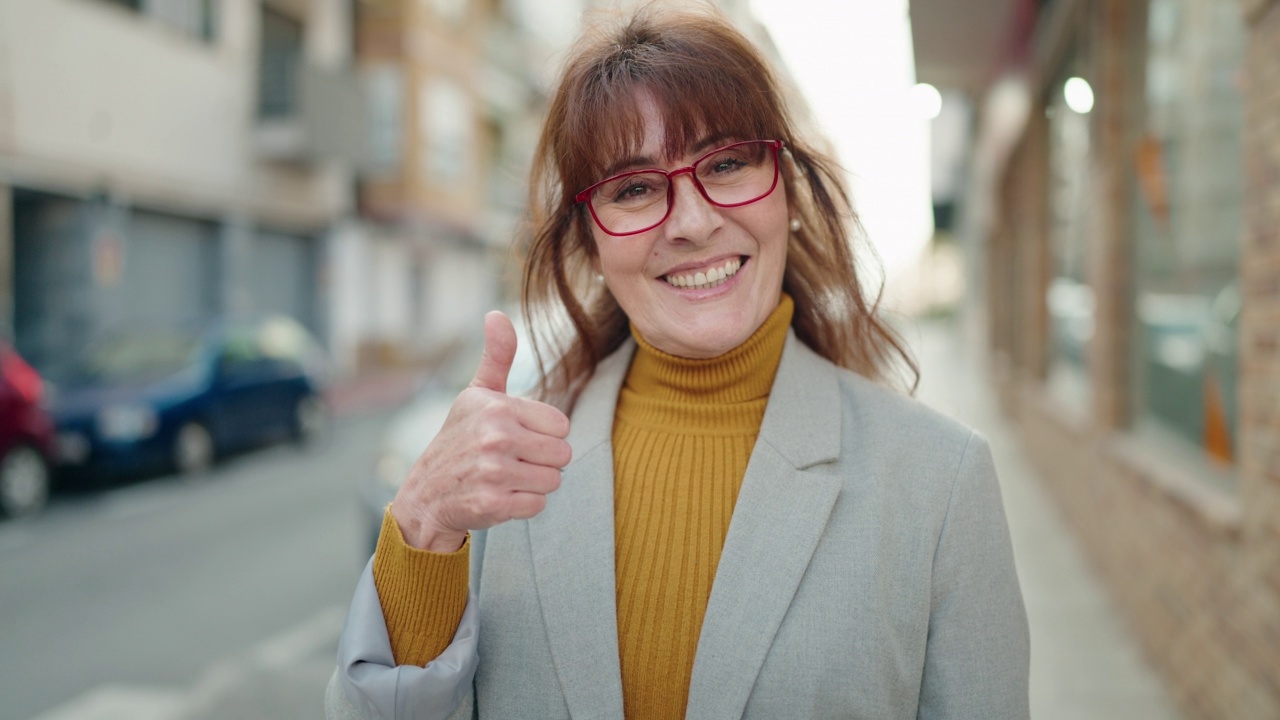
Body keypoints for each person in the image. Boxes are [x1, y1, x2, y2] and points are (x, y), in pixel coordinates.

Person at [327, 5, 1029, 719]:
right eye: (633, 189)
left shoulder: (942, 484)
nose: (691, 223)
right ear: (590, 242)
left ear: (785, 189)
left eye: (726, 164)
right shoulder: (500, 473)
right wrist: (421, 526)